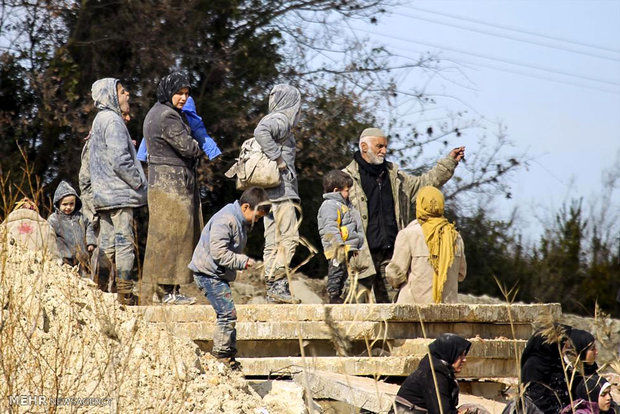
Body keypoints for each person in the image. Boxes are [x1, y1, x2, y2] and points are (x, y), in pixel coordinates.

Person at [342, 127, 464, 303]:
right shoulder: (346, 179)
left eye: (385, 147)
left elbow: (425, 183)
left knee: (393, 310)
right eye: (379, 146)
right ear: (364, 146)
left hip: (390, 255)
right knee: (354, 309)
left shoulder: (395, 177)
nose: (384, 151)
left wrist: (449, 162)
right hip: (360, 255)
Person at [189, 187, 270, 369]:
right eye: (256, 217)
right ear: (246, 207)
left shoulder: (238, 220)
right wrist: (243, 261)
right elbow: (219, 253)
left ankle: (229, 355)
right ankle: (221, 355)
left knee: (228, 313)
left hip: (216, 274)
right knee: (227, 314)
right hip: (207, 274)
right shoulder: (226, 220)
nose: (256, 221)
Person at [141, 72, 202, 305]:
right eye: (179, 93)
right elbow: (190, 147)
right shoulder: (167, 116)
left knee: (166, 237)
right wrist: (197, 143)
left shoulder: (154, 113)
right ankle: (168, 293)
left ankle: (168, 291)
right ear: (169, 92)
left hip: (163, 182)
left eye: (187, 93)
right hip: (172, 185)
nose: (184, 98)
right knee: (173, 237)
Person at [89, 78, 147, 305]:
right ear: (110, 95)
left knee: (107, 245)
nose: (127, 95)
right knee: (124, 243)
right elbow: (120, 161)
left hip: (104, 195)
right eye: (122, 92)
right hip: (120, 194)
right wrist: (138, 183)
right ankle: (125, 293)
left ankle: (100, 289)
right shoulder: (113, 122)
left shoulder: (99, 121)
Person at [254, 84, 302, 304]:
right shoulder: (281, 120)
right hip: (281, 192)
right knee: (289, 238)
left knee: (272, 240)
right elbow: (260, 132)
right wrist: (279, 159)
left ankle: (272, 287)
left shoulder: (277, 119)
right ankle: (279, 283)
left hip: (269, 194)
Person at [386, 186, 466, 304]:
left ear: (420, 205)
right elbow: (461, 274)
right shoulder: (455, 237)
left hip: (413, 311)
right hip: (447, 311)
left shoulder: (408, 235)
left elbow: (395, 275)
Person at [317, 170, 366, 304]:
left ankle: (342, 295)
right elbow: (330, 227)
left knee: (345, 273)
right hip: (337, 248)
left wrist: (355, 246)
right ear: (336, 190)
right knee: (336, 271)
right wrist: (338, 245)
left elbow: (353, 227)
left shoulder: (346, 206)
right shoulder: (329, 205)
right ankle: (333, 295)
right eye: (346, 191)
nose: (348, 194)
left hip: (347, 247)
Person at [394, 333, 472, 414]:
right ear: (450, 353)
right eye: (460, 355)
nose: (464, 360)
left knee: (474, 409)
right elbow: (440, 411)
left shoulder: (441, 370)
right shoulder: (434, 374)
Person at [136, 96, 221, 163]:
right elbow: (201, 135)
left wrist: (142, 155)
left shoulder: (162, 106)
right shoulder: (185, 109)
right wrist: (214, 153)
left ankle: (142, 155)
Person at [521, 323, 573, 414]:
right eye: (563, 342)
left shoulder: (558, 363)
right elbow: (537, 399)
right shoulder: (533, 366)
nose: (568, 346)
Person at [47, 181, 96, 272]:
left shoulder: (80, 217)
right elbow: (49, 237)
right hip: (65, 258)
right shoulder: (54, 219)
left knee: (83, 280)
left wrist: (90, 242)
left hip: (82, 257)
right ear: (58, 204)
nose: (68, 207)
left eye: (71, 204)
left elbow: (89, 227)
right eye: (64, 204)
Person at [566, 329, 599, 395]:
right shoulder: (572, 379)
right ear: (580, 352)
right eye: (592, 349)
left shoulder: (591, 371)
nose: (596, 352)